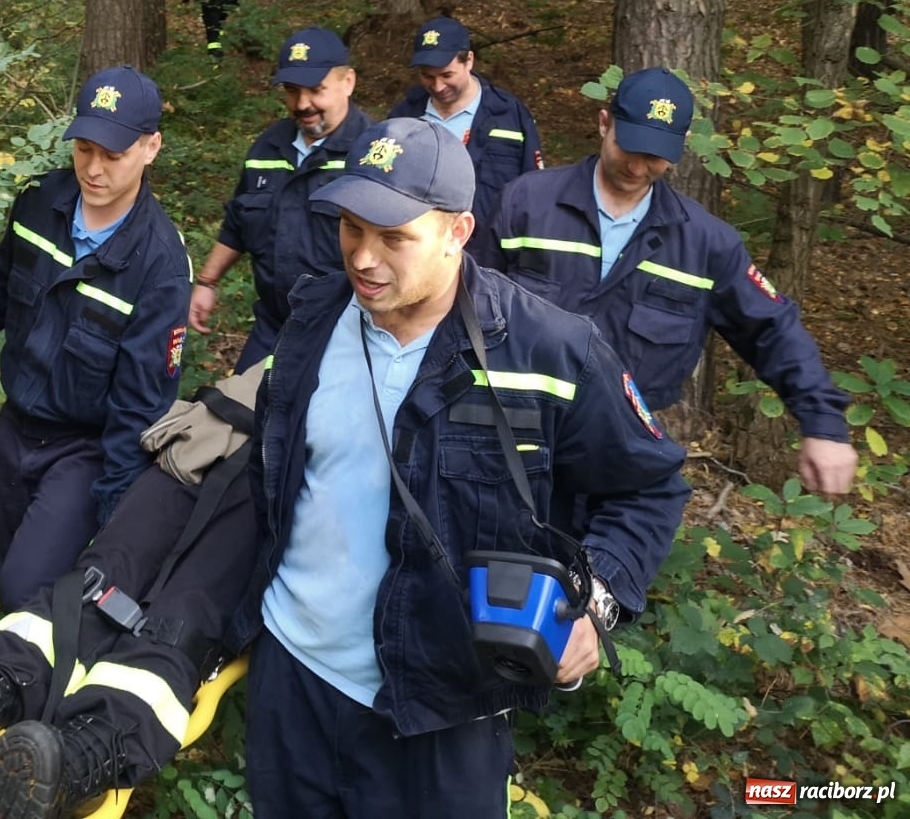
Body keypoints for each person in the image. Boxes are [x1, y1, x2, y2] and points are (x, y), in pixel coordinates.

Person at [235, 117, 691, 816]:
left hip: (442, 710)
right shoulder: (312, 318)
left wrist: (594, 604)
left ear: (458, 231)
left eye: (394, 237)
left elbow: (649, 484)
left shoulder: (548, 351)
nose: (363, 257)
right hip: (291, 683)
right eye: (351, 227)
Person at [0, 365, 262, 819]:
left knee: (145, 610)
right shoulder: (318, 310)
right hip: (230, 431)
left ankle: (32, 732)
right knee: (115, 600)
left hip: (256, 452)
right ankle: (3, 723)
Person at [480, 67, 859, 496]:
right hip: (508, 442)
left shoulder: (705, 243)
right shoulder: (526, 203)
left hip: (620, 461)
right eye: (630, 147)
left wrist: (823, 424)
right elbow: (462, 306)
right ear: (604, 124)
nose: (639, 168)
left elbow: (772, 329)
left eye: (657, 156)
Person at [0, 67, 191, 610]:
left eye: (113, 155)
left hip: (84, 449)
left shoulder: (161, 267)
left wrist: (113, 522)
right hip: (15, 430)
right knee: (6, 562)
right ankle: (5, 679)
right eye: (84, 149)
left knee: (29, 588)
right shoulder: (40, 204)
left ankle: (44, 684)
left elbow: (140, 406)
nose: (93, 169)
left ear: (152, 147)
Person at [189, 27, 370, 370]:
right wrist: (207, 282)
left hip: (347, 332)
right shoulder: (267, 148)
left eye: (316, 91)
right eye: (291, 91)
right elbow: (237, 222)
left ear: (347, 82)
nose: (302, 105)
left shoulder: (370, 155)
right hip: (274, 327)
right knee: (244, 413)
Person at [387, 12, 542, 257]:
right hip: (420, 256)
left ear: (469, 60)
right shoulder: (404, 116)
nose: (437, 87)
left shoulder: (509, 116)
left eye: (447, 75)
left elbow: (534, 193)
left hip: (490, 258)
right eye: (428, 77)